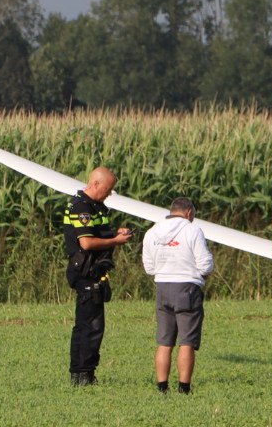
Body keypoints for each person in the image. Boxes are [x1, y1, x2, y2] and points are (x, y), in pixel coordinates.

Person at [62, 166, 133, 386]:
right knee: (90, 326)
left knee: (88, 324)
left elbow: (97, 233)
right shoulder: (81, 207)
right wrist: (115, 242)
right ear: (95, 184)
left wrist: (115, 233)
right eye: (108, 189)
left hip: (94, 270)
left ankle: (82, 373)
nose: (109, 194)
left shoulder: (96, 206)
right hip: (86, 272)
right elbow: (87, 242)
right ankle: (83, 375)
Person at [141, 196, 214, 395]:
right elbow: (205, 263)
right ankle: (184, 388)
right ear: (189, 212)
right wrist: (201, 274)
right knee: (187, 342)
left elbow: (149, 267)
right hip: (187, 288)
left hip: (162, 287)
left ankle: (162, 387)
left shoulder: (153, 231)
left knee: (164, 342)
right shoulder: (193, 230)